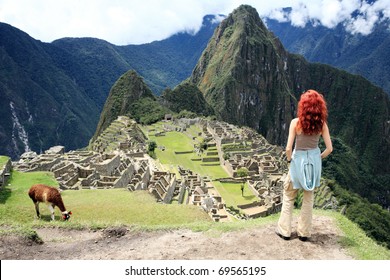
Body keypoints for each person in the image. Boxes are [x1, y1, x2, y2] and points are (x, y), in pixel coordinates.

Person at [276, 89, 333, 241]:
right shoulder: (322, 125)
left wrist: (290, 161)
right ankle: (304, 233)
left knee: (289, 195)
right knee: (309, 197)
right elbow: (329, 148)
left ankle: (285, 231)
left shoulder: (296, 123)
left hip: (297, 162)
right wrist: (317, 157)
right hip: (313, 163)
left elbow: (288, 148)